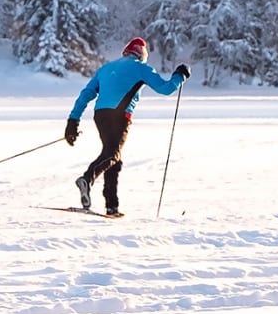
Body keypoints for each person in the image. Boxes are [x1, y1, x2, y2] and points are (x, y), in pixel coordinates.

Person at [64, 37, 190, 217]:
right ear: (141, 54)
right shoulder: (141, 68)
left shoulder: (106, 68)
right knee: (113, 153)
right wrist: (180, 75)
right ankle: (86, 179)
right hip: (120, 114)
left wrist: (73, 121)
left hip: (100, 115)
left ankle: (111, 206)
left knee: (113, 157)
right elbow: (166, 89)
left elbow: (86, 94)